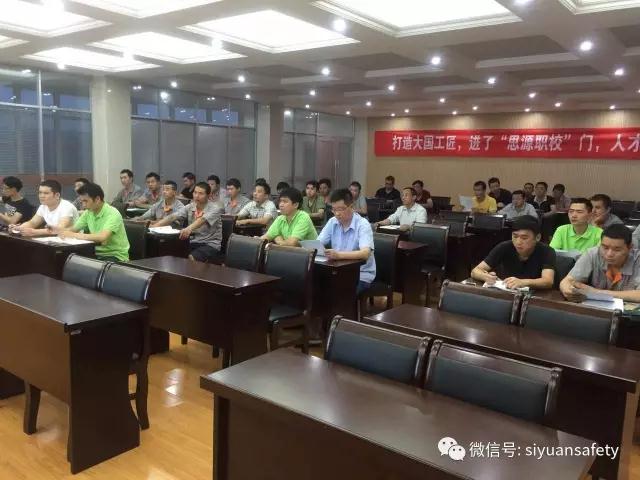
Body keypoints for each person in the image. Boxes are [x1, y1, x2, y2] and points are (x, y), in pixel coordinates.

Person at [560, 224, 640, 303]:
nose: (609, 254)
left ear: (630, 248)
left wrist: (596, 292)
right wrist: (567, 290)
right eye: (605, 247)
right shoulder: (592, 254)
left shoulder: (638, 260)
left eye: (617, 250)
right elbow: (567, 281)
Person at [471, 215, 555, 290]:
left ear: (537, 237)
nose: (518, 242)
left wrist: (523, 282)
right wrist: (486, 276)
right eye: (515, 236)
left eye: (524, 238)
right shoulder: (504, 247)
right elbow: (475, 271)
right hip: (508, 293)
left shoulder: (547, 251)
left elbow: (548, 281)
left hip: (535, 296)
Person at [317, 189, 375, 294]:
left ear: (351, 207)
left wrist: (338, 255)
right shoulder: (332, 222)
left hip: (360, 274)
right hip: (337, 270)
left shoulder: (363, 224)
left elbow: (365, 254)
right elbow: (318, 243)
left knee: (336, 293)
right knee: (314, 286)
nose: (337, 214)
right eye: (334, 209)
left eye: (341, 209)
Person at [57, 183, 130, 262]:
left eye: (85, 201)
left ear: (97, 199)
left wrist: (72, 235)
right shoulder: (89, 212)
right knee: (64, 258)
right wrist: (62, 232)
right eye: (82, 202)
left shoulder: (113, 213)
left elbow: (102, 237)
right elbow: (74, 229)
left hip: (114, 255)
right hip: (95, 252)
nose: (83, 205)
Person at [153, 182, 223, 263]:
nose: (196, 196)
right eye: (195, 192)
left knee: (190, 258)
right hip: (192, 241)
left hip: (209, 244)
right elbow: (173, 217)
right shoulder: (190, 206)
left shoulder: (215, 209)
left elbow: (202, 220)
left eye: (201, 193)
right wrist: (154, 226)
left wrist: (188, 229)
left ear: (208, 195)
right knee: (166, 248)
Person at [12, 180, 78, 236]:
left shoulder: (67, 207)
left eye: (46, 193)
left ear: (57, 195)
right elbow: (32, 223)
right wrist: (18, 228)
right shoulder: (43, 206)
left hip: (73, 240)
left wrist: (34, 232)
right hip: (54, 239)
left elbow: (59, 229)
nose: (41, 196)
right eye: (40, 193)